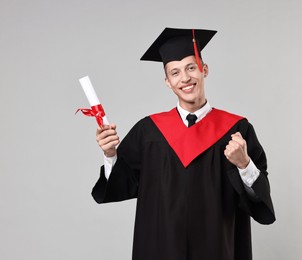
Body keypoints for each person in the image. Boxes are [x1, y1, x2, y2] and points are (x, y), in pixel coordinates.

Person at [92, 27, 275, 260]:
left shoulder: (237, 129)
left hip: (216, 248)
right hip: (161, 248)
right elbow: (120, 184)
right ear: (167, 82)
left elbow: (260, 198)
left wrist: (244, 165)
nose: (185, 78)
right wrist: (110, 154)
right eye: (175, 72)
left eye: (191, 67)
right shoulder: (149, 131)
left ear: (204, 70)